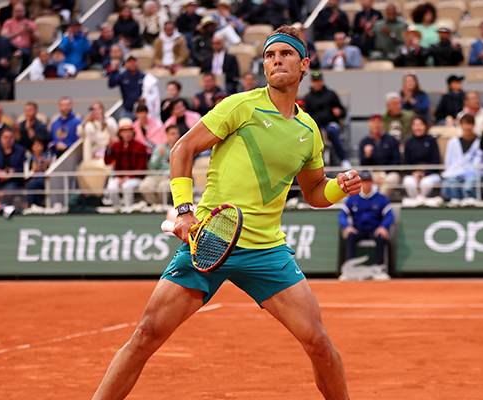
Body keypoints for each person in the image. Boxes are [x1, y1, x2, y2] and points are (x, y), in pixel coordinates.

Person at [90, 24, 356, 400]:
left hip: (267, 251)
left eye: (286, 54)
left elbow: (314, 191)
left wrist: (338, 188)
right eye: (269, 55)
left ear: (304, 65)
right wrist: (183, 211)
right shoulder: (240, 106)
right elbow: (181, 149)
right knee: (146, 335)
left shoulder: (308, 131)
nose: (276, 60)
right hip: (211, 241)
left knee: (318, 342)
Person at [338, 171, 393, 281]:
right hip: (358, 229)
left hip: (374, 229)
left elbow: (390, 217)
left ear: (372, 183)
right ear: (360, 183)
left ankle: (379, 269)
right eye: (364, 182)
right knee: (350, 236)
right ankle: (349, 271)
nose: (366, 185)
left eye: (368, 182)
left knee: (381, 236)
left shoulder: (381, 198)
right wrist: (347, 226)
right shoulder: (353, 198)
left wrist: (383, 227)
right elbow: (342, 216)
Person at [303, 71, 351, 168]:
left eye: (319, 81)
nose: (317, 83)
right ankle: (315, 163)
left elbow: (343, 112)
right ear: (311, 83)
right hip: (316, 125)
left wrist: (339, 112)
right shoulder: (308, 98)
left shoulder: (331, 94)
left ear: (323, 81)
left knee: (332, 131)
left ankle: (343, 159)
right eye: (315, 81)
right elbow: (304, 115)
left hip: (331, 123)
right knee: (312, 135)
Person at [441, 114, 483, 200]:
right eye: (464, 124)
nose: (467, 127)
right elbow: (448, 163)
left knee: (469, 187)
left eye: (470, 124)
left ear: (474, 125)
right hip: (455, 174)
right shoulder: (452, 142)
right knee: (451, 184)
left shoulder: (481, 142)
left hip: (474, 174)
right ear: (460, 125)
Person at [103, 118, 148, 208]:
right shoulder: (116, 146)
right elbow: (107, 162)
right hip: (119, 176)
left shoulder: (140, 146)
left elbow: (141, 167)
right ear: (120, 133)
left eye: (129, 131)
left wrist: (127, 177)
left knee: (126, 187)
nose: (127, 134)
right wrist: (108, 148)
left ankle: (128, 209)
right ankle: (117, 208)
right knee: (111, 188)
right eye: (124, 132)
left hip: (135, 177)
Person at [358, 113, 401, 198]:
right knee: (366, 181)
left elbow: (396, 161)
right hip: (372, 172)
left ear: (382, 124)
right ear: (369, 124)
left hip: (388, 172)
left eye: (378, 122)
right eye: (374, 122)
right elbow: (363, 165)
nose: (376, 125)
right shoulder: (364, 142)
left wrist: (384, 174)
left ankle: (380, 203)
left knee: (391, 180)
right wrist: (367, 155)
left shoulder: (391, 140)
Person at [108, 53, 161, 121]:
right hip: (127, 110)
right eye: (129, 62)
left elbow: (151, 93)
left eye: (134, 61)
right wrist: (114, 70)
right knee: (124, 125)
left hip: (141, 110)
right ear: (125, 63)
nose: (132, 63)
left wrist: (145, 98)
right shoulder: (122, 76)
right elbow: (111, 84)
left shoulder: (144, 77)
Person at [139, 125, 180, 205]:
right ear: (167, 135)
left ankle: (162, 206)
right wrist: (159, 156)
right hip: (156, 176)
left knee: (163, 186)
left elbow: (181, 167)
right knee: (144, 186)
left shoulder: (181, 149)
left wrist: (168, 174)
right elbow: (152, 166)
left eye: (177, 133)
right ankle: (156, 205)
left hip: (170, 177)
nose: (176, 136)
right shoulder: (159, 148)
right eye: (173, 134)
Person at [403, 116, 441, 198]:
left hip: (430, 173)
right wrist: (413, 173)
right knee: (408, 182)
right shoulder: (409, 142)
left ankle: (422, 202)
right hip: (413, 173)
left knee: (425, 183)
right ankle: (415, 202)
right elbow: (406, 163)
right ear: (412, 127)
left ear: (425, 126)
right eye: (415, 125)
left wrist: (425, 173)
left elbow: (436, 161)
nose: (417, 128)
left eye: (420, 125)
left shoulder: (431, 140)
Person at [1, 3, 38, 71]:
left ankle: (22, 73)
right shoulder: (8, 23)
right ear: (13, 12)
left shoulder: (30, 23)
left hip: (25, 48)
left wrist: (31, 31)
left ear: (24, 12)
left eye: (21, 11)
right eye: (17, 11)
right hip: (11, 48)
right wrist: (18, 33)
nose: (19, 13)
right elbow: (3, 37)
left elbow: (38, 39)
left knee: (26, 54)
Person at [25, 138, 51, 207]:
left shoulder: (48, 157)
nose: (38, 148)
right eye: (36, 146)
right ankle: (36, 205)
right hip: (33, 178)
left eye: (40, 145)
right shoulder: (29, 159)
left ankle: (29, 204)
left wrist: (47, 166)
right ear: (32, 148)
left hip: (45, 179)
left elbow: (51, 170)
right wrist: (34, 170)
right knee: (34, 184)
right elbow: (27, 173)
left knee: (35, 183)